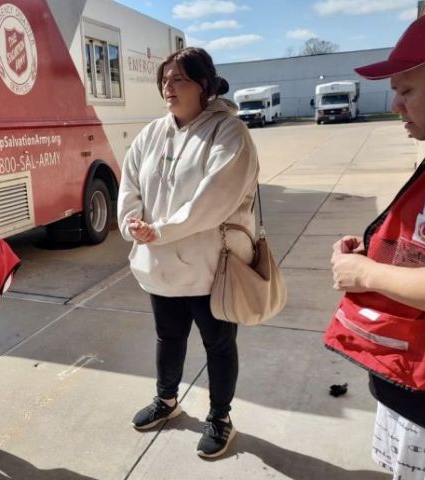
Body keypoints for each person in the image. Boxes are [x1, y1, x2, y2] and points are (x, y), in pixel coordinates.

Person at [117, 47, 259, 458]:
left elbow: (211, 200)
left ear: (205, 86)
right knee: (168, 336)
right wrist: (131, 223)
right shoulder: (153, 132)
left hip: (209, 267)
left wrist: (157, 230)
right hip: (161, 264)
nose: (168, 87)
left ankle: (220, 417)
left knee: (218, 344)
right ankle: (166, 400)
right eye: (165, 79)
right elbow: (130, 184)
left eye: (179, 79)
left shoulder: (229, 133)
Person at [325, 12, 425, 480]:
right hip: (412, 394)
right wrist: (376, 250)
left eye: (407, 90)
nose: (395, 105)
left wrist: (365, 275)